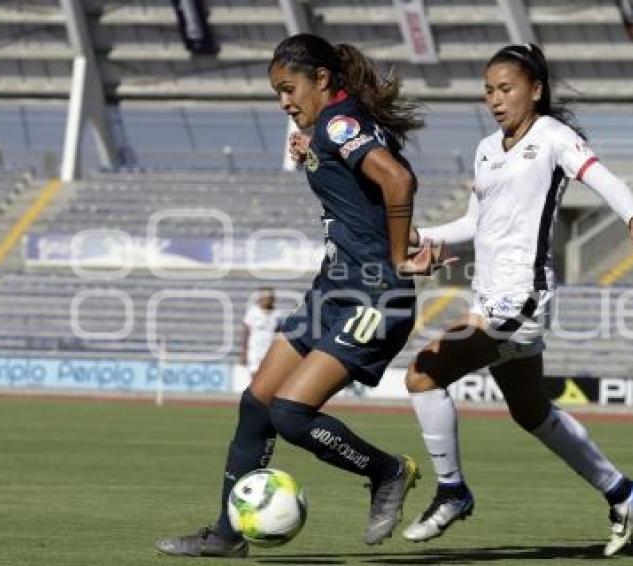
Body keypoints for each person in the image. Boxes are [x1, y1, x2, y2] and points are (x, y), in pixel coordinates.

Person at [156, 33, 449, 558]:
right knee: (257, 405)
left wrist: (402, 253)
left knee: (291, 413)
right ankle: (227, 535)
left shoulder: (340, 123)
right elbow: (358, 182)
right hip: (333, 288)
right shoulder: (333, 126)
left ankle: (387, 472)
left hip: (374, 295)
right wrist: (314, 147)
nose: (284, 102)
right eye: (277, 92)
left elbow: (398, 181)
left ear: (322, 80)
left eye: (289, 88)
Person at [400, 43, 633, 557]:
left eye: (506, 89)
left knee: (423, 374)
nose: (495, 100)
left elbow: (603, 178)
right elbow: (474, 226)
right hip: (488, 298)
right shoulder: (485, 148)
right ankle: (624, 493)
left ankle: (453, 491)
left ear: (535, 90)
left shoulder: (553, 137)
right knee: (529, 410)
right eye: (488, 91)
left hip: (521, 298)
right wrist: (420, 235)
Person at [240, 286, 282, 379]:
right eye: (264, 297)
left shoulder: (277, 314)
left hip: (270, 351)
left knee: (268, 378)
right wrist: (244, 353)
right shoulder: (253, 312)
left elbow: (279, 334)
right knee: (254, 376)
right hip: (255, 350)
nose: (267, 300)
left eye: (269, 298)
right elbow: (245, 333)